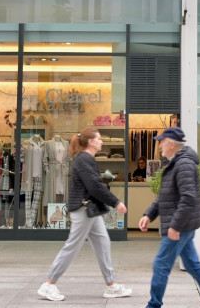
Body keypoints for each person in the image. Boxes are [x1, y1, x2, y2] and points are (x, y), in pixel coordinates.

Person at [37, 128, 132, 302]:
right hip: (83, 210)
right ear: (91, 142)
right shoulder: (84, 160)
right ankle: (49, 284)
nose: (102, 142)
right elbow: (95, 186)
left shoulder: (85, 159)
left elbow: (94, 185)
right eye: (99, 139)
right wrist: (116, 202)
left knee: (103, 243)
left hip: (90, 210)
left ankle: (111, 285)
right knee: (72, 246)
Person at [139, 127, 200, 308]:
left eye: (161, 143)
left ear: (171, 144)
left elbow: (188, 198)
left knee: (161, 265)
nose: (159, 148)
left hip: (181, 225)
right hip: (182, 223)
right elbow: (165, 196)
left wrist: (175, 226)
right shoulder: (176, 164)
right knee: (192, 264)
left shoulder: (184, 165)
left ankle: (153, 305)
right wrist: (149, 215)